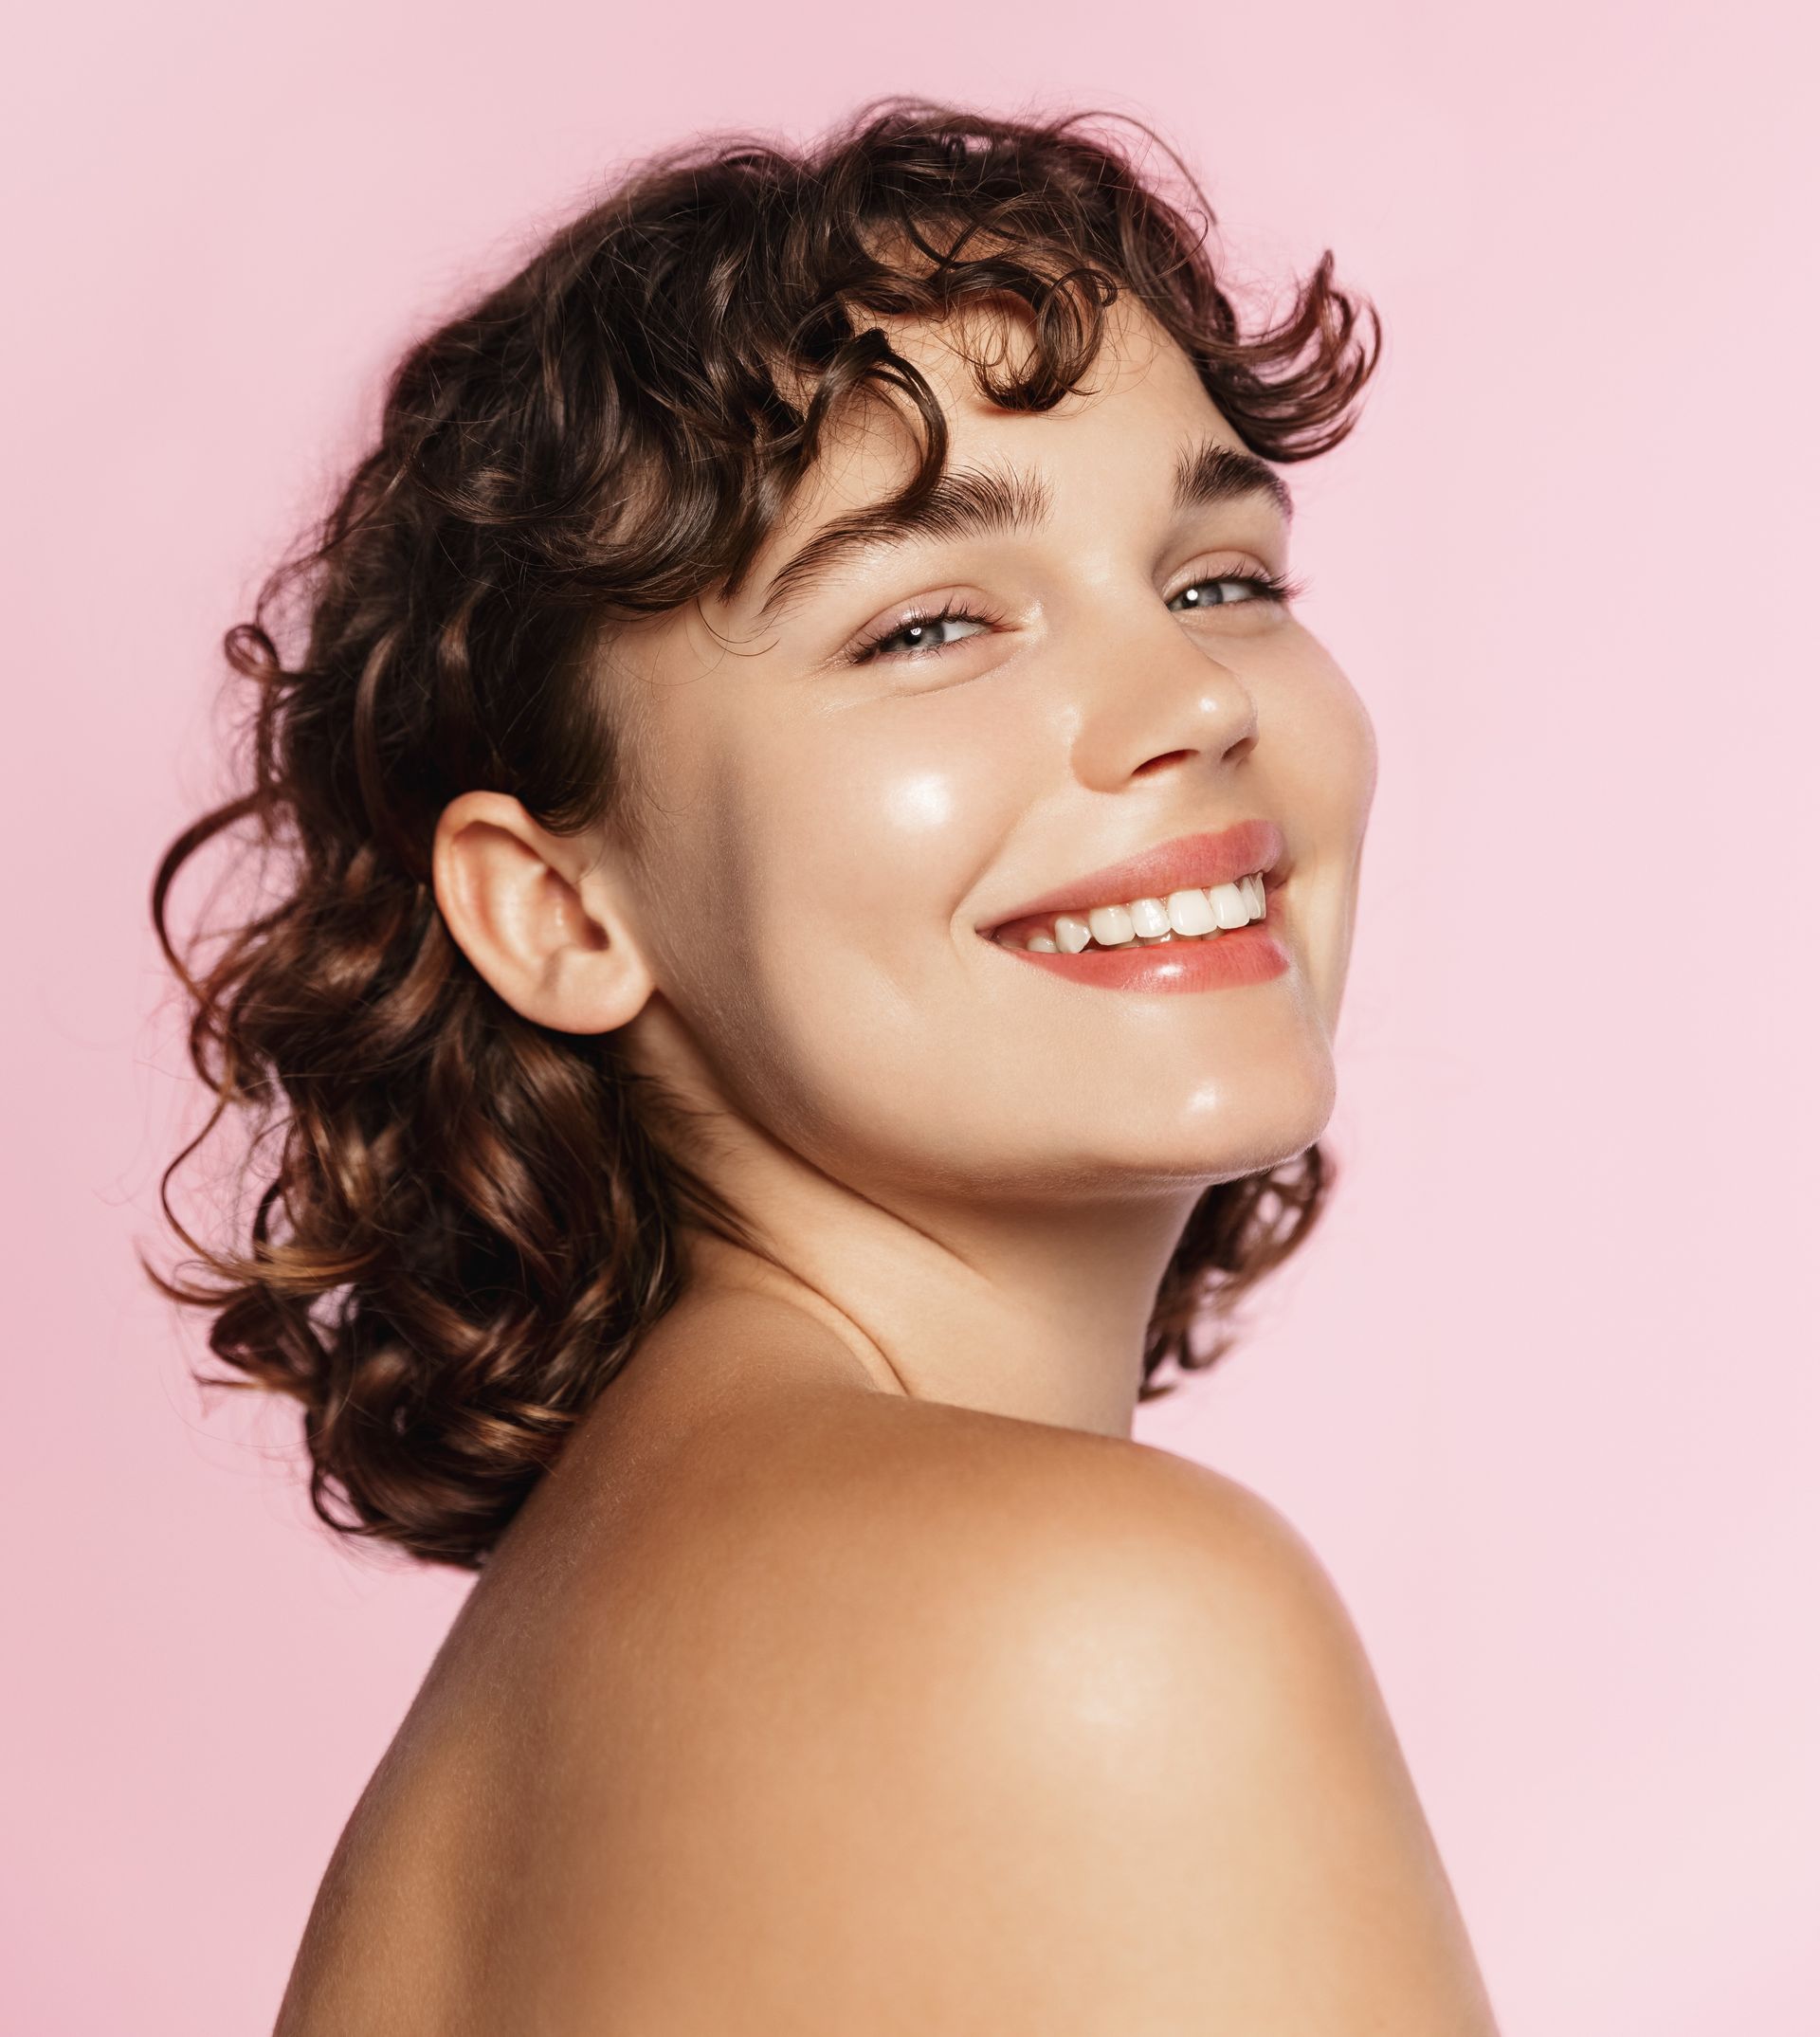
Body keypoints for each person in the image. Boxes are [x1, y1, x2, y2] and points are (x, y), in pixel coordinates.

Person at [153, 99, 1502, 2033]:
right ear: (557, 909)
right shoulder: (1095, 1631)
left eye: (1219, 582)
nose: (1194, 701)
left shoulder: (578, 1653)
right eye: (934, 621)